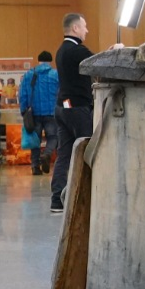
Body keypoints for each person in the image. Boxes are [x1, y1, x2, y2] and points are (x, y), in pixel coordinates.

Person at [50, 13, 94, 214]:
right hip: (77, 108)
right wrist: (115, 51)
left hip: (62, 107)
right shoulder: (77, 51)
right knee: (87, 150)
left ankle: (57, 200)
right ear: (75, 28)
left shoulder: (61, 50)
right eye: (84, 26)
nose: (87, 30)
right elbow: (99, 64)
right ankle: (87, 195)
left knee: (64, 154)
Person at [19, 51, 58, 175]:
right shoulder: (56, 75)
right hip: (51, 112)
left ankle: (35, 167)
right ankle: (47, 153)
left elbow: (22, 94)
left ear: (39, 60)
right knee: (53, 137)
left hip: (33, 113)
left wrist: (23, 110)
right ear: (50, 61)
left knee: (35, 140)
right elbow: (61, 93)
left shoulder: (29, 75)